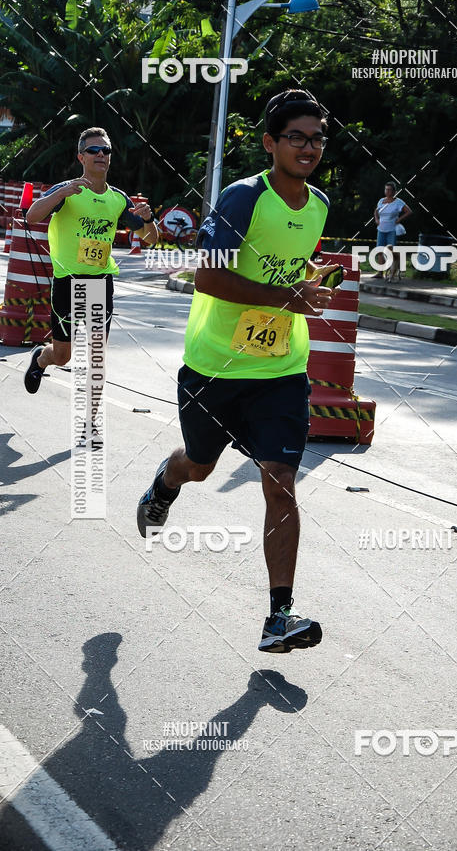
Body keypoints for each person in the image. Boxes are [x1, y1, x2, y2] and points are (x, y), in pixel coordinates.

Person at [137, 88, 339, 653]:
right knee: (199, 466)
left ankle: (280, 617)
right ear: (271, 143)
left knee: (280, 482)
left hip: (280, 368)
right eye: (296, 137)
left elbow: (289, 270)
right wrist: (286, 294)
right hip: (214, 367)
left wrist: (309, 285)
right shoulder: (242, 198)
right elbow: (208, 277)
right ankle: (164, 482)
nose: (308, 147)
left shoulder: (319, 205)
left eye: (317, 138)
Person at [23, 127, 158, 395]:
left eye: (105, 150)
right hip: (67, 284)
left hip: (100, 283)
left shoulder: (118, 199)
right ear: (81, 157)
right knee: (63, 356)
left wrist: (148, 219)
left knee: (97, 358)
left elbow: (151, 239)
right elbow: (31, 217)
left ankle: (89, 422)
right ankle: (41, 358)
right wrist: (61, 194)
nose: (100, 154)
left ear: (110, 157)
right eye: (93, 150)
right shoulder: (67, 190)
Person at [373, 182, 412, 279]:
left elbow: (409, 211)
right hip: (381, 229)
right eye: (386, 189)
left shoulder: (398, 202)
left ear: (394, 191)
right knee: (380, 250)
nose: (388, 191)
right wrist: (377, 219)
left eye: (390, 190)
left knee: (391, 252)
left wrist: (399, 219)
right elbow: (376, 211)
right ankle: (380, 272)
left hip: (392, 230)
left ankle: (392, 272)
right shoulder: (381, 200)